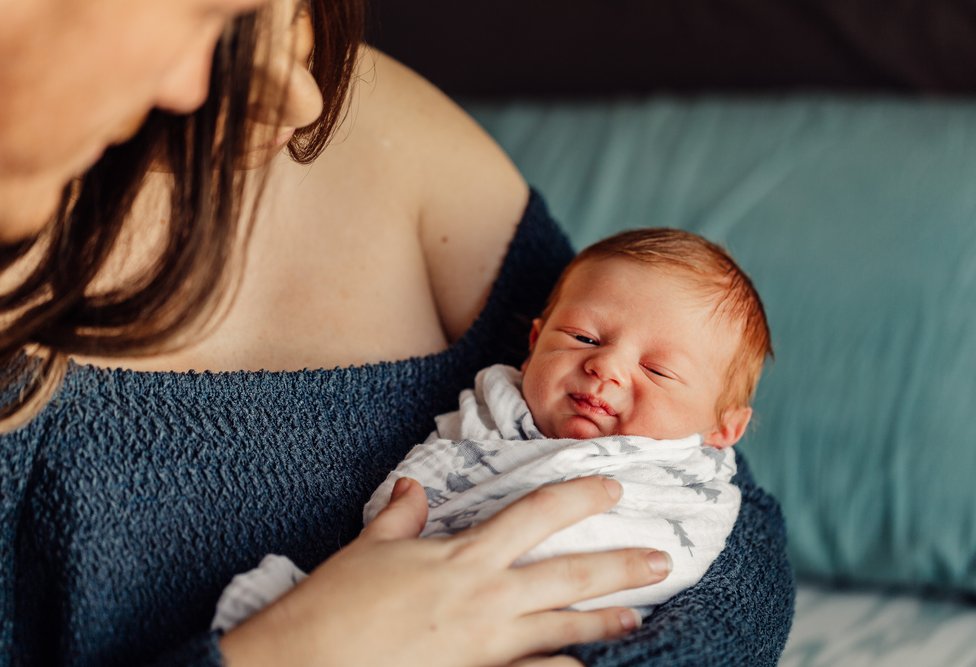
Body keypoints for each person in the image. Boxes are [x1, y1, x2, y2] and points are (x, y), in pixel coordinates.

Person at [0, 1, 794, 666]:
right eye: (217, 20)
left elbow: (720, 511)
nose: (302, 99)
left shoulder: (384, 130)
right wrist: (291, 652)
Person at [212, 227, 772, 630]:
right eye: (584, 337)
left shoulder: (683, 483)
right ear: (533, 345)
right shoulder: (492, 408)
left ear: (724, 430)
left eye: (657, 370)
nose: (606, 367)